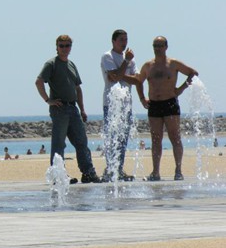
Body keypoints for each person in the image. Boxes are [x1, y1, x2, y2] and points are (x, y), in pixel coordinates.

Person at [35, 34, 101, 183]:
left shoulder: (71, 64)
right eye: (62, 46)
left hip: (73, 108)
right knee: (59, 143)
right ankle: (59, 176)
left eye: (67, 45)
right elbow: (39, 81)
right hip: (59, 109)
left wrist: (82, 109)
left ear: (71, 47)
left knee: (81, 142)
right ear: (57, 47)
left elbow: (77, 88)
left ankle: (88, 173)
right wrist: (48, 100)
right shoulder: (51, 64)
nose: (65, 49)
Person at [136, 36, 198, 181]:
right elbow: (139, 81)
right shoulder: (147, 66)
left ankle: (178, 170)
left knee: (175, 137)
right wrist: (141, 98)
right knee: (155, 139)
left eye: (160, 45)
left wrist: (180, 89)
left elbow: (193, 73)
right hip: (154, 105)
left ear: (166, 47)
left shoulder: (173, 64)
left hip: (170, 103)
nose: (157, 48)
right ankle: (155, 172)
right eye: (155, 45)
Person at [100, 29, 141, 181]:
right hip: (111, 104)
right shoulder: (107, 57)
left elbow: (137, 80)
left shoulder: (130, 59)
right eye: (121, 40)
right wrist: (125, 64)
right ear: (114, 41)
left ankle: (119, 168)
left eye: (126, 39)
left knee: (123, 138)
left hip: (126, 105)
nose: (124, 43)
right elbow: (114, 78)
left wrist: (119, 74)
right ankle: (110, 169)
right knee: (112, 137)